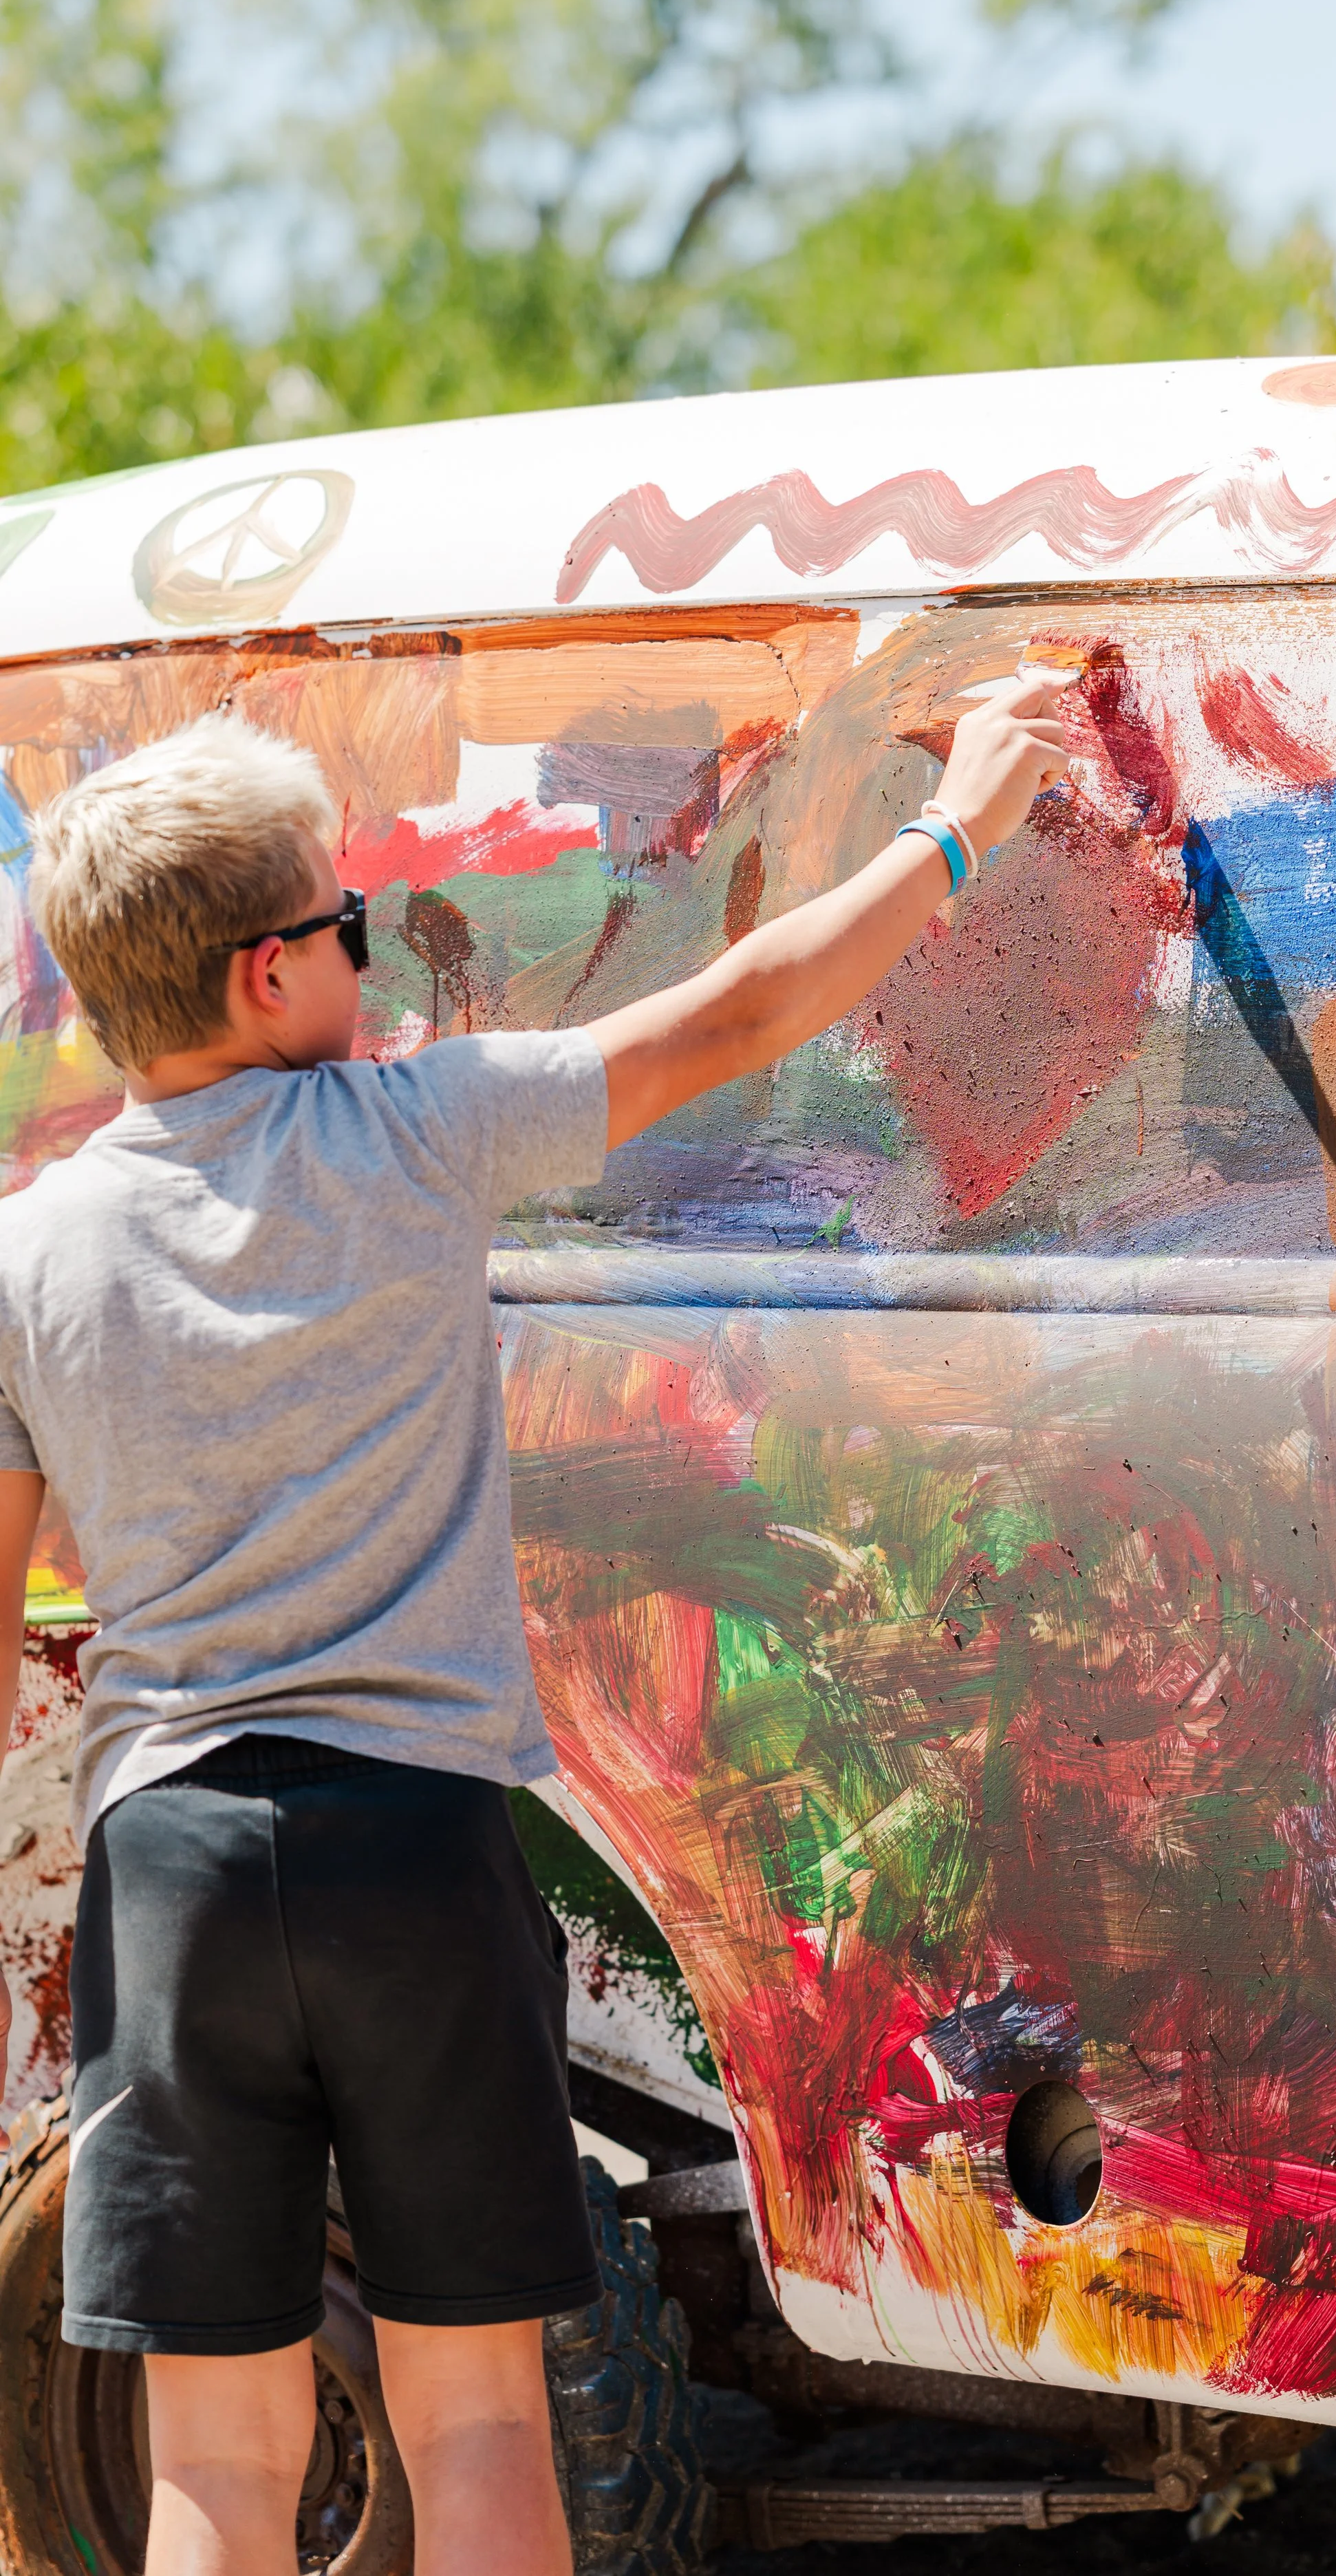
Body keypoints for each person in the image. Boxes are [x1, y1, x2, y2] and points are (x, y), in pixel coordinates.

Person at [0, 670, 1071, 2576]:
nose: (368, 948)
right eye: (343, 923)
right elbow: (739, 1009)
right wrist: (957, 827)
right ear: (269, 975)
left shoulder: (27, 1250)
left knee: (215, 2465)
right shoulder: (414, 1131)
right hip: (411, 1841)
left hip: (165, 1862)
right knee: (481, 2409)